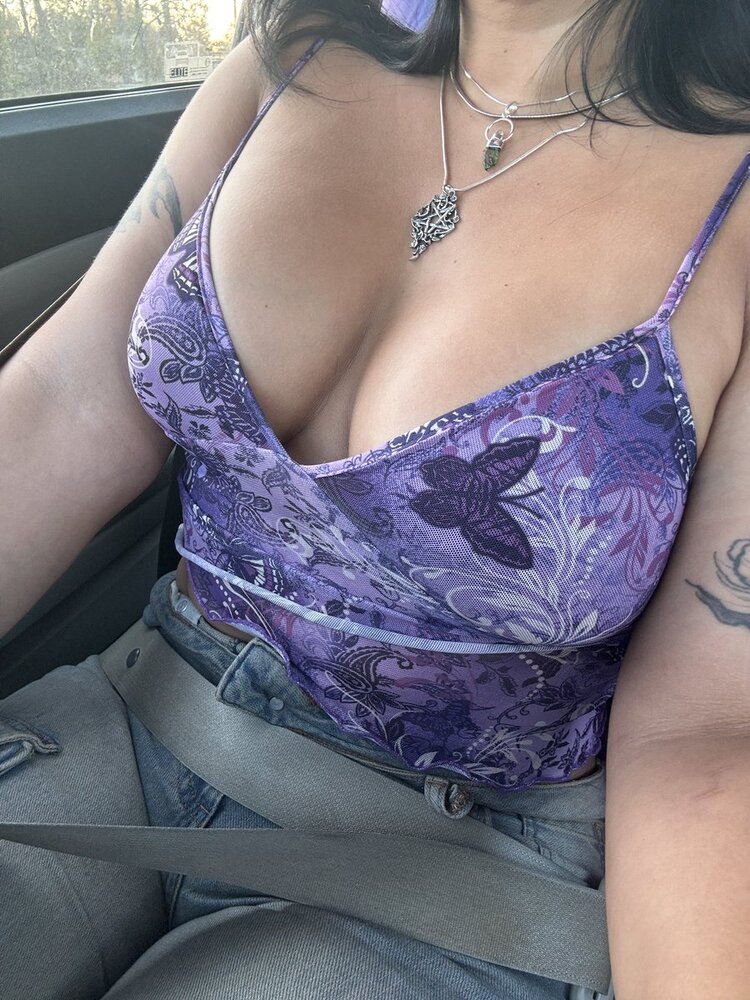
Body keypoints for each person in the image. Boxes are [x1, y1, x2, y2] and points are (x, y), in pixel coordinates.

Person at [1, 1, 749, 997]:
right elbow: (64, 407)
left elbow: (704, 730)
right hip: (143, 706)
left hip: (454, 861)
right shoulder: (291, 60)